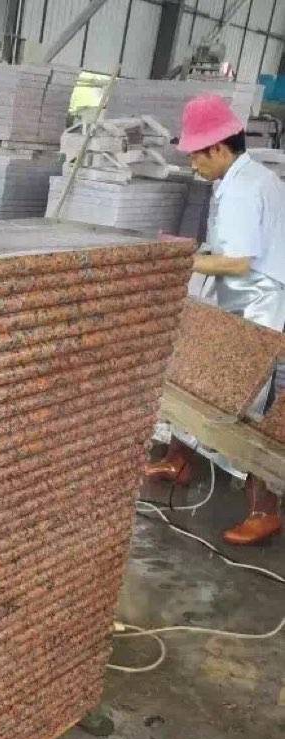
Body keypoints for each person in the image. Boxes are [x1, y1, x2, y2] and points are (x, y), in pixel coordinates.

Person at [145, 94, 285, 546]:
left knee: (245, 401)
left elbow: (239, 262)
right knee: (199, 376)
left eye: (196, 156)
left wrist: (179, 259)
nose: (193, 165)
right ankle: (180, 459)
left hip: (256, 300)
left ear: (219, 148)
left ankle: (263, 510)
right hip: (241, 294)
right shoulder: (245, 178)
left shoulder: (244, 188)